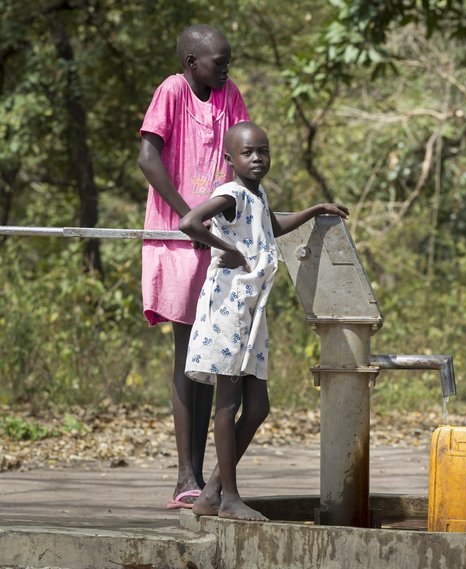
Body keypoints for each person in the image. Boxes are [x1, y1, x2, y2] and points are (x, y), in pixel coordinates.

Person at [180, 121, 349, 520]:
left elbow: (270, 228)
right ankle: (229, 499)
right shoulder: (231, 194)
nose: (257, 159)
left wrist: (315, 209)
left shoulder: (256, 195)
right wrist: (228, 250)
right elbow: (189, 222)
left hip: (251, 312)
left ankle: (211, 493)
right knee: (229, 404)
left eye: (263, 151)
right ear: (229, 159)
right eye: (247, 153)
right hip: (228, 309)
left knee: (258, 406)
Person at [138, 24, 251, 509]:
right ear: (191, 63)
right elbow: (148, 156)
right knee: (188, 353)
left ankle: (202, 476)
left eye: (228, 61)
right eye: (217, 62)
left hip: (218, 240)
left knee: (212, 357)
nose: (225, 69)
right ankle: (186, 474)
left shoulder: (230, 95)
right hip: (178, 239)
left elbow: (241, 155)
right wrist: (189, 212)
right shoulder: (172, 90)